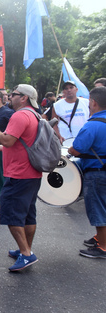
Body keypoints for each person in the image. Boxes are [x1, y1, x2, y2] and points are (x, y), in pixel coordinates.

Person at [0, 84, 42, 272]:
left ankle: (26, 254)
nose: (9, 97)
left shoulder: (20, 115)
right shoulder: (34, 114)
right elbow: (19, 142)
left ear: (23, 98)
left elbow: (7, 139)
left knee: (12, 214)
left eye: (13, 94)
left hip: (19, 173)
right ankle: (25, 250)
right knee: (28, 214)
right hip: (31, 172)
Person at [68, 86, 106, 258]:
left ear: (93, 102)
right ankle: (101, 238)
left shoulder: (93, 125)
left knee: (98, 208)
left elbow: (76, 149)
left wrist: (70, 149)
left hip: (97, 172)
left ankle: (103, 247)